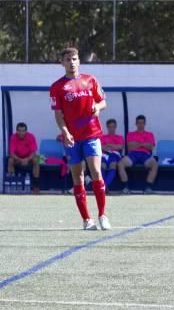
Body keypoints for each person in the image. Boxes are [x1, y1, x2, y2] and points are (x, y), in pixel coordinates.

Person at [49, 47, 110, 230]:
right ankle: (86, 219)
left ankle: (102, 215)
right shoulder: (57, 87)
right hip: (72, 138)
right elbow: (58, 114)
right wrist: (65, 131)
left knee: (96, 172)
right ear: (62, 63)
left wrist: (98, 108)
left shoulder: (90, 80)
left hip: (91, 134)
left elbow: (103, 101)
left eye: (74, 58)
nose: (72, 62)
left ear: (79, 61)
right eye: (68, 59)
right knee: (78, 176)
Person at [118, 115, 158, 193]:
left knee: (155, 164)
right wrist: (144, 144)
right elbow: (130, 147)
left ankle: (148, 187)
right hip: (133, 154)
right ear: (136, 124)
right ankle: (126, 187)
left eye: (142, 123)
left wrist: (137, 144)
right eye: (139, 123)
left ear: (145, 124)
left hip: (145, 154)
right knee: (120, 164)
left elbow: (150, 147)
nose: (140, 125)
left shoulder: (150, 134)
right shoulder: (130, 134)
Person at [7, 122, 41, 193]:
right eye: (19, 131)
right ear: (16, 131)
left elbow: (33, 152)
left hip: (29, 158)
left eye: (23, 131)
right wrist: (20, 160)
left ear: (26, 131)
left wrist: (27, 159)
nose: (21, 133)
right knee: (10, 160)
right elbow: (11, 153)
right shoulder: (13, 137)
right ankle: (12, 183)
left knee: (36, 160)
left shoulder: (31, 137)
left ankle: (36, 186)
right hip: (17, 158)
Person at [100, 118, 124, 188]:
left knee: (113, 165)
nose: (112, 129)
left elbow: (120, 147)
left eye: (113, 127)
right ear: (107, 127)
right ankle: (103, 186)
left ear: (115, 127)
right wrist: (114, 146)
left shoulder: (120, 137)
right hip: (104, 155)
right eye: (110, 127)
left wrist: (108, 145)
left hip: (115, 155)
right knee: (102, 165)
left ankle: (105, 186)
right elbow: (101, 147)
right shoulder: (103, 137)